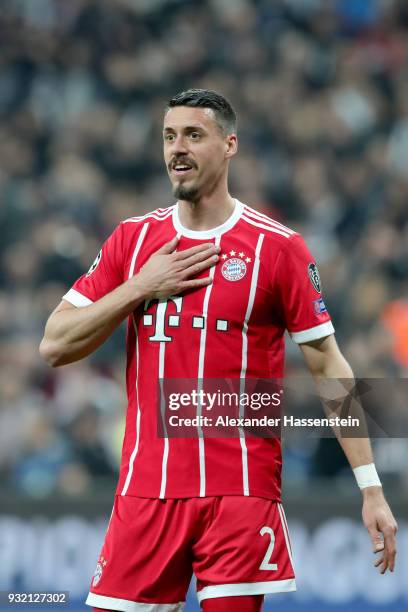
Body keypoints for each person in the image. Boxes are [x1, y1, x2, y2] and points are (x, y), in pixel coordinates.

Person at [40, 89, 397, 612]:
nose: (177, 149)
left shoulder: (278, 248)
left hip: (240, 492)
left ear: (230, 145)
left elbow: (329, 367)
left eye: (193, 135)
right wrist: (139, 288)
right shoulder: (133, 242)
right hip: (146, 489)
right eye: (168, 136)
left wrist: (371, 487)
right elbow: (54, 342)